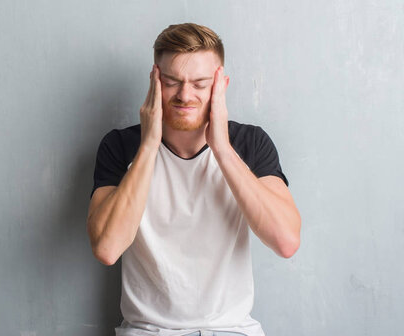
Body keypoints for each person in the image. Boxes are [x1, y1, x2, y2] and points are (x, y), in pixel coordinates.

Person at [86, 23, 301, 336]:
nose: (185, 95)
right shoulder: (120, 146)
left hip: (232, 330)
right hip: (149, 331)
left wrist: (223, 150)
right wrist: (148, 145)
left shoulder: (250, 143)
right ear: (155, 81)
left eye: (200, 84)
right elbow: (107, 248)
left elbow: (286, 242)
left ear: (220, 85)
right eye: (173, 82)